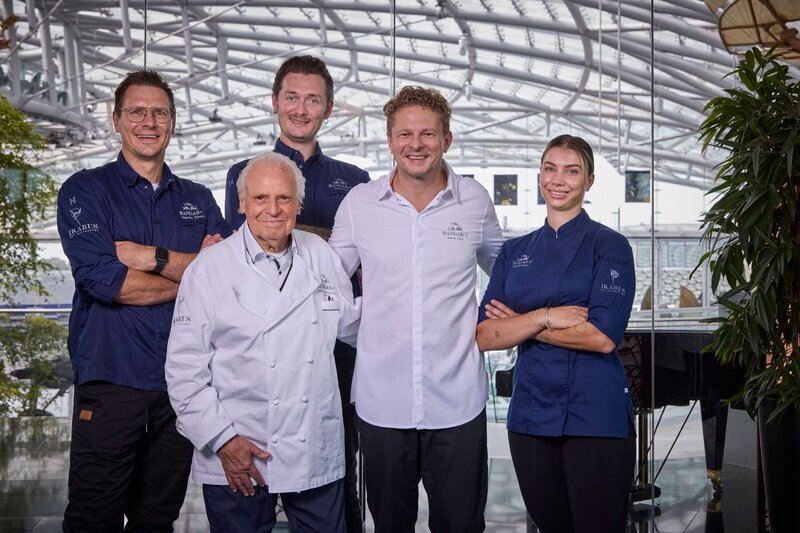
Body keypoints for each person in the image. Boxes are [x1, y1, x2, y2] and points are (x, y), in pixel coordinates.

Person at [57, 69, 231, 532]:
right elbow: (106, 282)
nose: (148, 122)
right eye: (136, 111)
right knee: (93, 518)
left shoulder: (197, 198)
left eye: (160, 113)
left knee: (157, 519)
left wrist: (149, 256)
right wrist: (194, 273)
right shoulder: (85, 190)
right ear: (116, 120)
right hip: (112, 381)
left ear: (172, 122)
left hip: (182, 385)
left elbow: (228, 275)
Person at [329, 85, 504, 533]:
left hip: (458, 400)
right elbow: (326, 283)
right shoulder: (359, 204)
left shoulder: (474, 200)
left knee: (462, 525)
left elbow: (505, 272)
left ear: (447, 139)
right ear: (390, 141)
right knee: (390, 525)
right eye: (405, 134)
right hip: (382, 402)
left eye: (428, 133)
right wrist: (360, 326)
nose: (416, 144)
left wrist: (505, 322)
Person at [166, 151, 361, 533]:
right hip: (240, 446)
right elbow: (184, 371)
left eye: (284, 198)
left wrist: (404, 301)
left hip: (311, 443)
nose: (273, 210)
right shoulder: (209, 268)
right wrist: (223, 441)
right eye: (260, 198)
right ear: (241, 203)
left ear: (298, 204)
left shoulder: (319, 254)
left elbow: (351, 325)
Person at [224, 55, 370, 533]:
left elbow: (359, 258)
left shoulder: (354, 180)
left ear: (328, 108)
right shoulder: (243, 171)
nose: (301, 109)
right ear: (275, 102)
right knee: (252, 477)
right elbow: (246, 247)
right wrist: (326, 238)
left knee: (339, 471)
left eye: (312, 100)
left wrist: (294, 233)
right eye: (292, 97)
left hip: (333, 345)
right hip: (258, 346)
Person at [476, 134, 636, 533]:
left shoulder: (610, 246)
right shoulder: (515, 251)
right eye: (550, 169)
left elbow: (601, 337)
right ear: (539, 176)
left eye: (572, 171)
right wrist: (546, 317)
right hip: (531, 415)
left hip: (595, 414)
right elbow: (486, 335)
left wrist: (522, 324)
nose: (558, 180)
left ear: (589, 181)